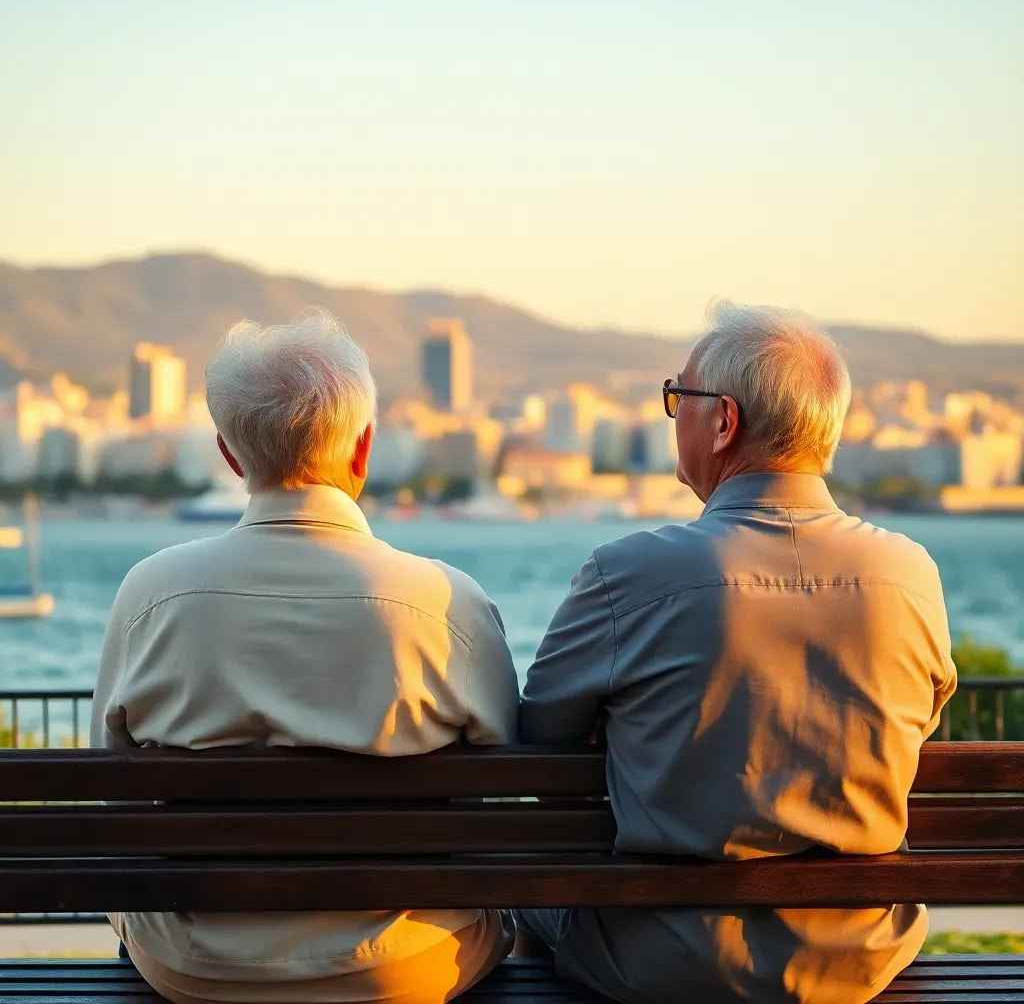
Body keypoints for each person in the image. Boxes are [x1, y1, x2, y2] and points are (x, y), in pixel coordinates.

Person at [516, 301, 957, 1004]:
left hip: (663, 963)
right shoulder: (911, 575)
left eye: (678, 397)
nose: (673, 415)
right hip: (861, 955)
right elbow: (914, 724)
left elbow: (540, 745)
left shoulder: (625, 574)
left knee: (530, 898)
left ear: (723, 421)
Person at [92, 310, 519, 1004]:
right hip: (403, 965)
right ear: (364, 447)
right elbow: (507, 783)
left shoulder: (150, 595)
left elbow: (111, 789)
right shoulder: (446, 602)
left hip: (192, 967)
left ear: (231, 457)